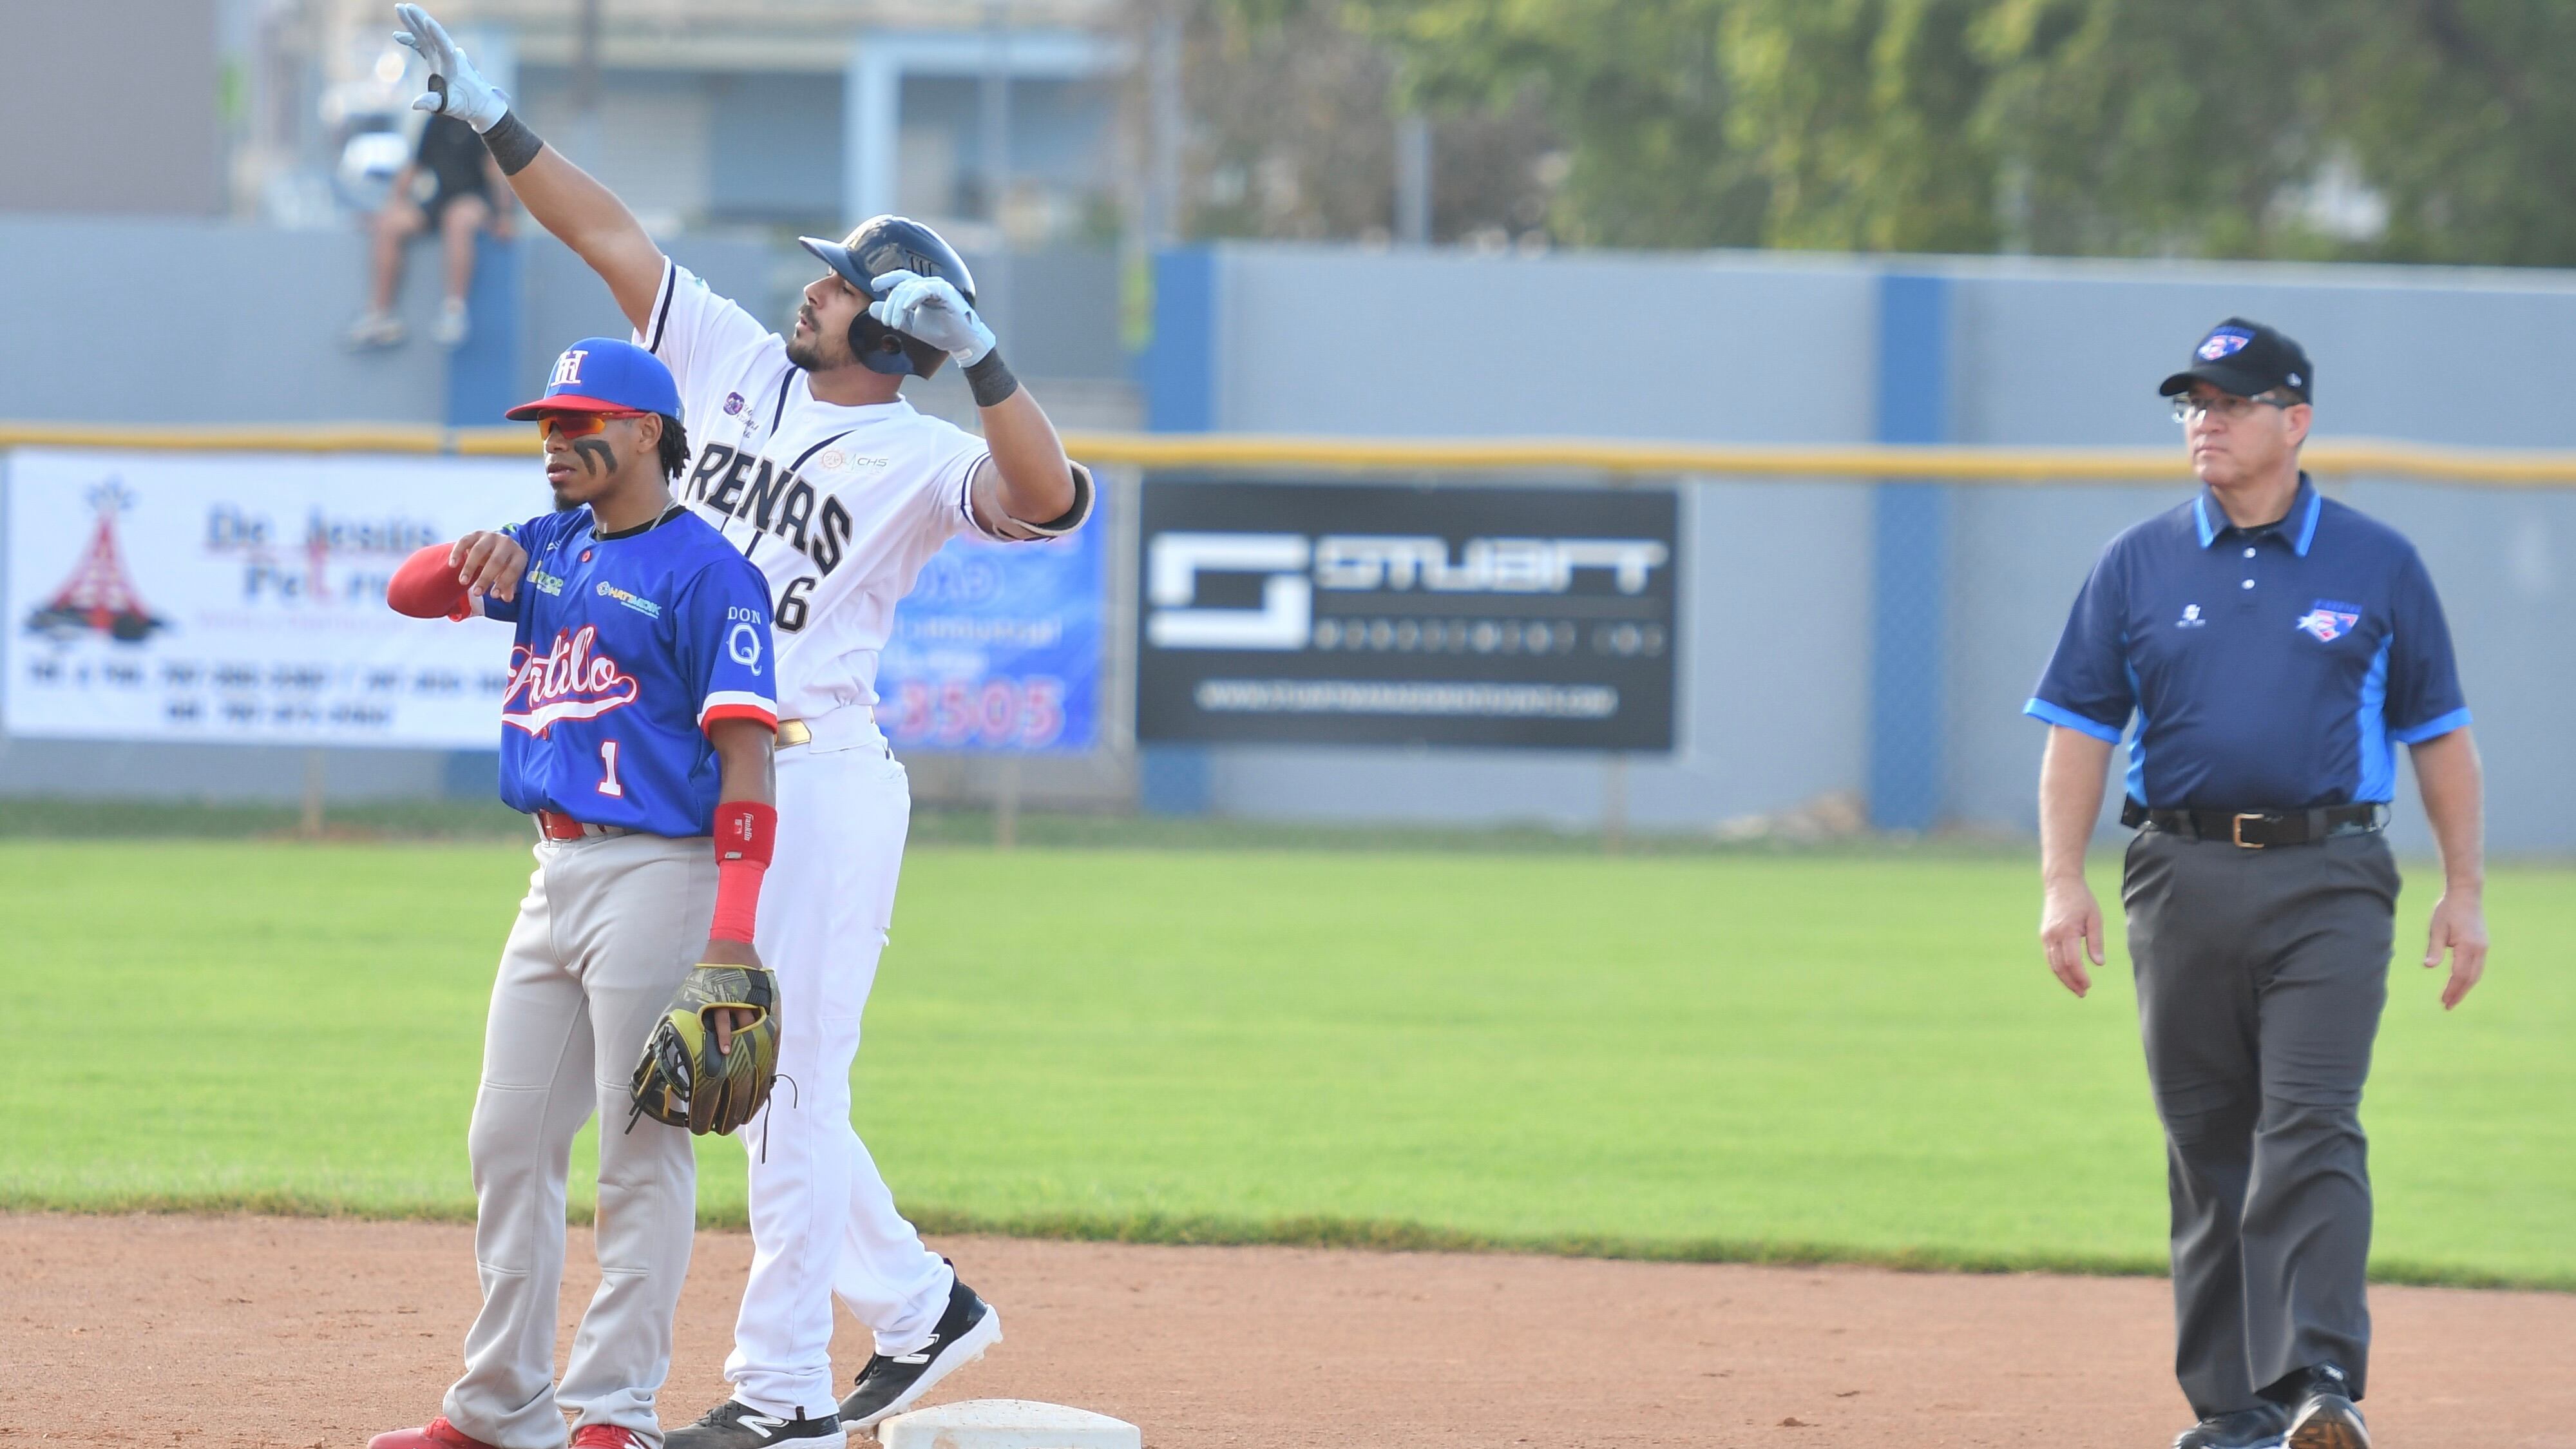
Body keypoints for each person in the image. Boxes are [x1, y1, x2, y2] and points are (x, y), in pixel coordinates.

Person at [391, 7, 1096, 1445]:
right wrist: (492, 119)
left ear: (890, 322)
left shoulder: (918, 452)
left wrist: (989, 360)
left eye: (841, 283)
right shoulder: (725, 361)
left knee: (775, 1080)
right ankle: (917, 1307)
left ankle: (780, 1395)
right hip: (691, 768)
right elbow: (610, 238)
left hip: (819, 766)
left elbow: (1055, 496)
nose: (814, 289)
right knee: (726, 1065)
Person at [2027, 318, 2488, 1449]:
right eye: (2190, 403)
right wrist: (2059, 881)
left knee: (2309, 1123)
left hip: (2328, 875)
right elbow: (2079, 731)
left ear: (2293, 419)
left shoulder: (2375, 562)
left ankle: (2317, 1377)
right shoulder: (2134, 561)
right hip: (2174, 873)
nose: (2204, 422)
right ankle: (2234, 1407)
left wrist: (2462, 887)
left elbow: (2437, 734)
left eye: (2228, 402)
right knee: (2204, 1139)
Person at [370, 337, 783, 1449]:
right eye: (547, 425)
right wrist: (483, 549)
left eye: (578, 422)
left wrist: (732, 939)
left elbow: (749, 763)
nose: (555, 442)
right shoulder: (547, 547)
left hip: (661, 870)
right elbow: (409, 593)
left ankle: (614, 1409)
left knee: (637, 1143)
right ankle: (500, 1402)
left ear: (646, 430)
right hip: (551, 870)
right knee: (506, 1135)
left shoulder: (707, 572)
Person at [348, 110, 513, 350]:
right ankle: (380, 315)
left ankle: (454, 311)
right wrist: (390, 209)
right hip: (441, 198)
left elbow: (494, 170)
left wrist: (504, 215)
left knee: (457, 220)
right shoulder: (435, 123)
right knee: (390, 226)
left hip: (476, 199)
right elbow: (414, 168)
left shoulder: (479, 120)